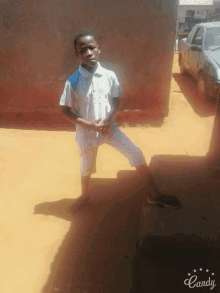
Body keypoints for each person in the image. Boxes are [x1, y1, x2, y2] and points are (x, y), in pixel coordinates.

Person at [59, 30, 181, 211]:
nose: (88, 53)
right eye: (82, 50)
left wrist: (108, 118)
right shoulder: (73, 82)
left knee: (136, 153)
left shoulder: (109, 75)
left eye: (91, 48)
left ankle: (154, 195)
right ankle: (85, 196)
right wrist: (90, 125)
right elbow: (65, 110)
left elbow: (116, 99)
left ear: (98, 49)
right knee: (86, 168)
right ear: (77, 55)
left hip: (110, 129)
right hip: (87, 134)